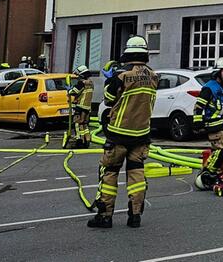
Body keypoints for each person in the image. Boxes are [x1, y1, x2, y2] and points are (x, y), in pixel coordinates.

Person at [88, 36, 157, 229]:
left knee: (109, 173)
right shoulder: (154, 76)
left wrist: (111, 79)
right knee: (136, 175)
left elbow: (109, 100)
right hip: (142, 134)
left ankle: (105, 216)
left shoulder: (121, 75)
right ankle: (135, 216)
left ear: (128, 54)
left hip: (118, 134)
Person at [194, 58, 223, 186]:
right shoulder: (209, 88)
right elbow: (198, 107)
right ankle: (209, 172)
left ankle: (214, 172)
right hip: (213, 124)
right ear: (217, 72)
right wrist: (197, 122)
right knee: (222, 148)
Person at [66, 65, 94, 149]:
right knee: (84, 124)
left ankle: (79, 141)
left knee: (77, 123)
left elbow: (73, 92)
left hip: (80, 106)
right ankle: (87, 140)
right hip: (87, 107)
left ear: (81, 75)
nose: (77, 77)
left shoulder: (81, 83)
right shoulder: (91, 83)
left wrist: (69, 90)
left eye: (78, 76)